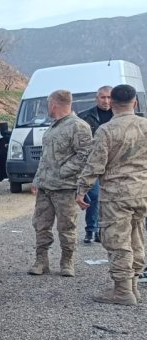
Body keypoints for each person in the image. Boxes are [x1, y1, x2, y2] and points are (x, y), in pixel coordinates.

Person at [76, 84, 147, 305]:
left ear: (112, 104)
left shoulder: (106, 130)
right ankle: (133, 286)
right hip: (142, 193)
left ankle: (123, 291)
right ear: (135, 103)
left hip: (117, 195)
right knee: (136, 237)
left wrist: (82, 190)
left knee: (118, 241)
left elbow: (95, 165)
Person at [27, 90, 93, 277]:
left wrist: (61, 171)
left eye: (48, 104)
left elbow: (85, 155)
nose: (48, 107)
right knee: (40, 225)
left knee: (67, 227)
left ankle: (67, 262)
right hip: (46, 188)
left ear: (53, 104)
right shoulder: (52, 127)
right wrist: (38, 179)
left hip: (65, 187)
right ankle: (41, 261)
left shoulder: (79, 126)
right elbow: (45, 158)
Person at [78, 85, 113, 244]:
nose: (106, 101)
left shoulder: (119, 116)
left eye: (109, 97)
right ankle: (91, 230)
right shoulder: (84, 117)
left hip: (113, 165)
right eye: (103, 97)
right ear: (96, 98)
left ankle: (103, 230)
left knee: (111, 199)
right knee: (94, 196)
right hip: (92, 164)